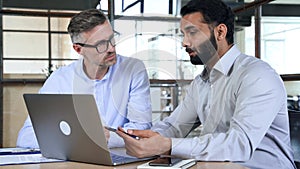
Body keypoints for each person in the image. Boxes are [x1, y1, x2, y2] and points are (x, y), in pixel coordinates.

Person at [116, 0, 297, 168]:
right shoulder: (201, 83)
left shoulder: (257, 75)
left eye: (193, 32)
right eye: (183, 34)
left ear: (220, 32)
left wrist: (168, 145)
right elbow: (174, 126)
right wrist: (142, 139)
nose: (184, 42)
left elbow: (239, 145)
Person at [17, 9, 152, 149]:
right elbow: (26, 137)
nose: (111, 48)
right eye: (101, 45)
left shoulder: (133, 70)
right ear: (78, 49)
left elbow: (141, 129)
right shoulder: (60, 79)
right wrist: (79, 139)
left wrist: (107, 139)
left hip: (119, 157)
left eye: (112, 39)